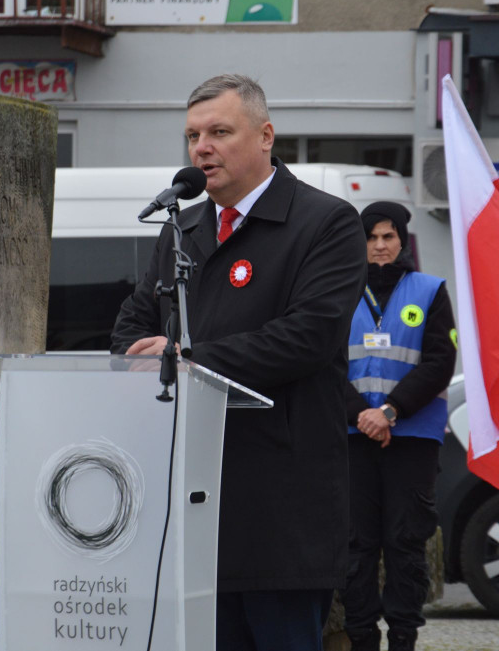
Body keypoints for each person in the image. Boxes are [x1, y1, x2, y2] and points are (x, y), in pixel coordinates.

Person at [110, 74, 367, 651]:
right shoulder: (183, 228)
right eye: (193, 135)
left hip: (279, 511)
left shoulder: (324, 222)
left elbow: (310, 336)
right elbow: (132, 326)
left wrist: (186, 359)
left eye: (220, 131)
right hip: (188, 502)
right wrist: (135, 361)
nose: (202, 147)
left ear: (265, 136)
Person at [342, 201, 457, 651]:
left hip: (412, 436)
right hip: (352, 436)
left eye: (389, 237)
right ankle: (362, 639)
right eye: (371, 237)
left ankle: (404, 639)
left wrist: (389, 411)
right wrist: (361, 414)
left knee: (406, 542)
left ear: (403, 240)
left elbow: (440, 362)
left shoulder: (430, 290)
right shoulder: (339, 291)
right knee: (357, 545)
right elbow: (325, 364)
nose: (380, 246)